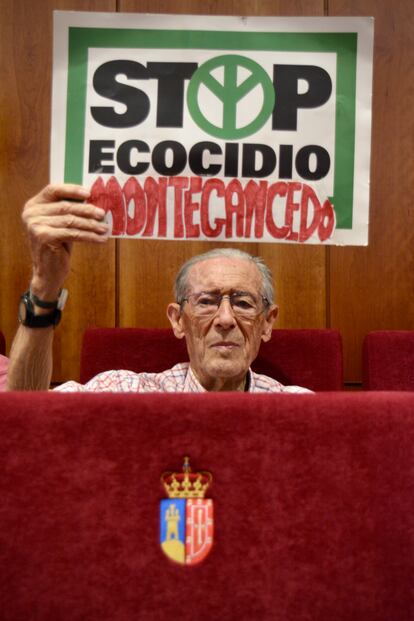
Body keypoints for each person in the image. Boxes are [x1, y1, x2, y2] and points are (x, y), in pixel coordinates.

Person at [6, 183, 310, 394]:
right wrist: (45, 285)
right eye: (207, 301)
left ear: (267, 322)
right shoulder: (124, 392)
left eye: (243, 303)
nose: (226, 319)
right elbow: (25, 417)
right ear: (178, 319)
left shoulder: (302, 411)